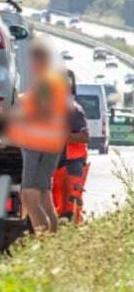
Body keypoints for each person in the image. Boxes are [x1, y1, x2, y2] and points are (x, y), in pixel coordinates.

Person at [5, 39, 68, 234]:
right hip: (52, 144)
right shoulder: (56, 82)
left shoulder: (43, 82)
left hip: (36, 143)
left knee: (29, 195)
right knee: (43, 194)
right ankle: (53, 240)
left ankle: (43, 241)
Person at [55, 70, 89, 224]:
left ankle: (74, 236)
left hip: (72, 164)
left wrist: (61, 137)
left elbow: (85, 136)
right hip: (54, 164)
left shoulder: (74, 110)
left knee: (72, 205)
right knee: (55, 205)